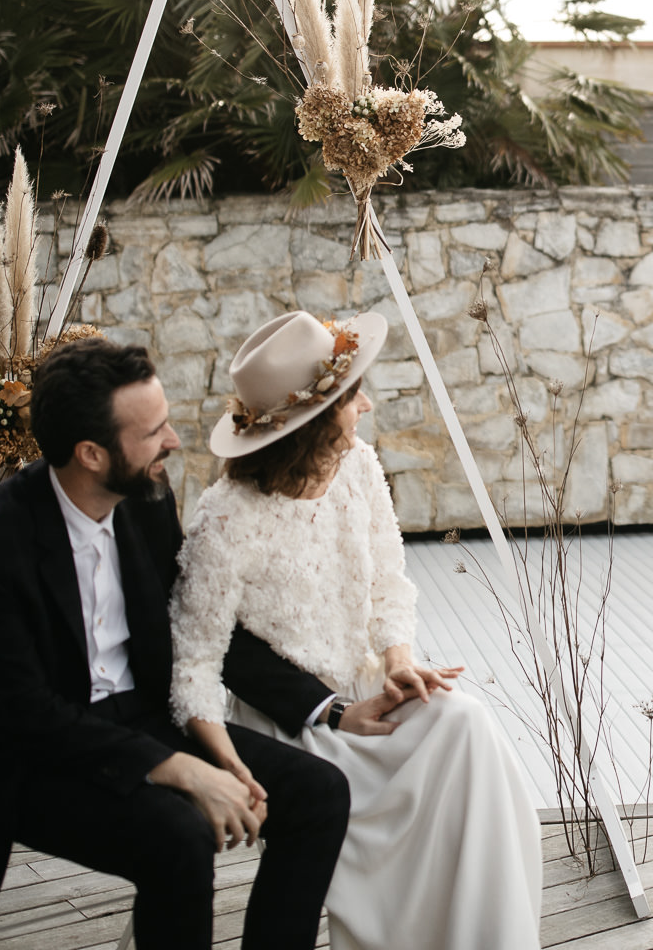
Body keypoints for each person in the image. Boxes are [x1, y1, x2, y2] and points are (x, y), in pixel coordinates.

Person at [0, 336, 352, 950]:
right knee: (178, 836)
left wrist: (330, 707)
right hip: (29, 759)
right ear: (91, 454)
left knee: (320, 792)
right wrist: (179, 768)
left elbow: (199, 626)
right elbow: (20, 713)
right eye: (153, 431)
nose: (174, 442)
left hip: (139, 720)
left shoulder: (146, 500)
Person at [170, 309, 543, 950]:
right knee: (376, 780)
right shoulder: (225, 520)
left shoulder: (360, 469)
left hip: (367, 688)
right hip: (294, 725)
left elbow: (387, 584)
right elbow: (197, 663)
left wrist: (399, 662)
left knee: (464, 724)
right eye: (351, 396)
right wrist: (253, 753)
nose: (366, 406)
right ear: (313, 420)